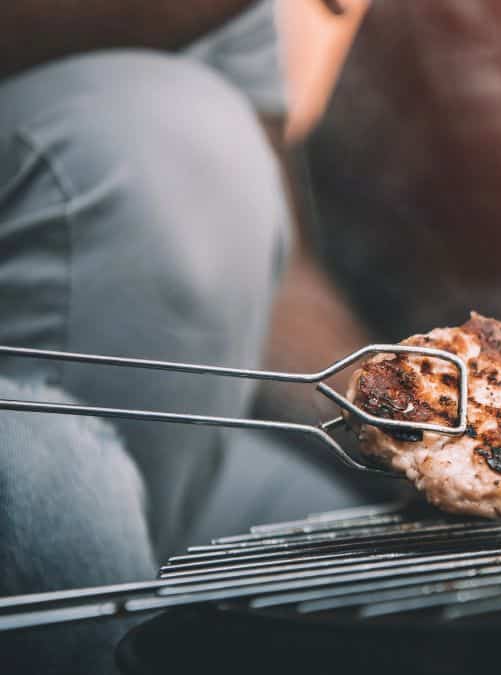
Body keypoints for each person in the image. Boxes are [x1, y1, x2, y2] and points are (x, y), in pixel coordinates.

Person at [0, 2, 381, 671]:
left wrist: (393, 410)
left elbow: (265, 265)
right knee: (171, 131)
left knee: (363, 568)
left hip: (173, 455)